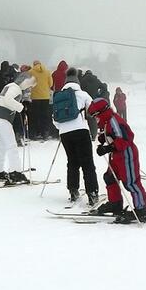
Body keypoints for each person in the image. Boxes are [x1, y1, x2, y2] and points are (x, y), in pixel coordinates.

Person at [89, 97, 146, 223]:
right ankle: (115, 203)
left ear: (101, 113)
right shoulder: (107, 121)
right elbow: (110, 135)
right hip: (116, 155)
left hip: (126, 154)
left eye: (95, 116)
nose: (95, 120)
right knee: (110, 177)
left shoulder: (114, 121)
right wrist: (104, 140)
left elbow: (125, 139)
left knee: (130, 182)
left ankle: (142, 209)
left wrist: (109, 148)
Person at [52, 68, 99, 205]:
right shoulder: (83, 94)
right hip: (81, 130)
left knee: (72, 162)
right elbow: (93, 111)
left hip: (64, 134)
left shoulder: (59, 96)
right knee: (87, 163)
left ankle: (73, 190)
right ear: (77, 82)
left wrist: (63, 127)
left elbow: (55, 119)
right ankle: (92, 193)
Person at [0, 75, 33, 184]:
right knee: (11, 146)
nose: (29, 87)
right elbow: (8, 99)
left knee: (2, 146)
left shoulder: (10, 85)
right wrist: (21, 108)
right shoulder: (15, 88)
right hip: (2, 118)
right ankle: (15, 172)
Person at [28, 60, 54, 140]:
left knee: (35, 116)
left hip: (35, 97)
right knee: (45, 116)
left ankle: (35, 133)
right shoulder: (47, 72)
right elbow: (51, 84)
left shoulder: (30, 72)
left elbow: (28, 84)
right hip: (45, 97)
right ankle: (45, 133)